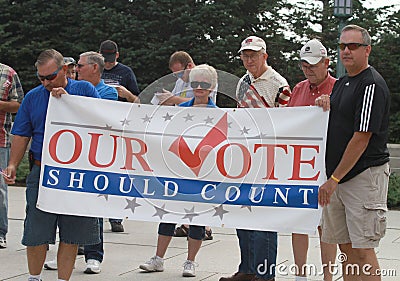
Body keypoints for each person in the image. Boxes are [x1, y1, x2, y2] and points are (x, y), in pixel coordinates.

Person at [3, 49, 101, 281]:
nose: (46, 82)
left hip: (76, 172)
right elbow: (21, 134)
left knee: (72, 233)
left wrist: (69, 100)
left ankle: (62, 279)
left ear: (65, 70)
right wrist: (13, 165)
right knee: (36, 231)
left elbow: (99, 119)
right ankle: (34, 278)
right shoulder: (33, 97)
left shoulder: (84, 90)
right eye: (41, 78)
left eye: (51, 77)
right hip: (43, 170)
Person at [317, 25, 390, 281]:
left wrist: (333, 180)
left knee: (362, 250)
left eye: (353, 46)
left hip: (362, 176)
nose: (346, 51)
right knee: (345, 249)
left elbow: (361, 137)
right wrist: (325, 102)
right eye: (342, 46)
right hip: (338, 179)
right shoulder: (343, 83)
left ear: (367, 50)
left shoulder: (371, 84)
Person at [220, 36, 291, 281]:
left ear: (264, 56)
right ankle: (247, 269)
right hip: (245, 156)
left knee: (264, 218)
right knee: (243, 213)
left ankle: (264, 273)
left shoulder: (278, 84)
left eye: (254, 55)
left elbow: (286, 122)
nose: (249, 60)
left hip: (268, 158)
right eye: (245, 55)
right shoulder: (243, 82)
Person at [139, 64, 218, 278]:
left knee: (196, 219)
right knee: (167, 214)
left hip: (202, 174)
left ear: (212, 87)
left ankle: (190, 262)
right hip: (176, 170)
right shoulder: (179, 111)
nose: (199, 88)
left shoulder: (218, 115)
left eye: (204, 84)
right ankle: (158, 258)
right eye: (195, 83)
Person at [43, 51, 118, 274]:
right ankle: (68, 252)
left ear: (95, 67)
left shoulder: (107, 92)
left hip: (92, 156)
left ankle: (94, 254)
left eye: (81, 65)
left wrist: (69, 100)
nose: (77, 68)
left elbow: (99, 115)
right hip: (68, 155)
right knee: (66, 207)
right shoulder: (69, 88)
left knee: (91, 206)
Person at [288, 39, 337, 281]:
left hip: (327, 168)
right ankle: (300, 275)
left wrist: (332, 106)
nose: (309, 70)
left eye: (314, 66)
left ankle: (328, 277)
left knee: (326, 226)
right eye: (305, 66)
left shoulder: (339, 88)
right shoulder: (298, 89)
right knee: (299, 222)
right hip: (300, 168)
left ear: (326, 63)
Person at [99, 40, 139, 232]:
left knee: (116, 171)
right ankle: (95, 214)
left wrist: (126, 94)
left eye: (109, 58)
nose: (106, 63)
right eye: (103, 59)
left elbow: (139, 101)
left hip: (118, 125)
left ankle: (116, 217)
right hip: (98, 126)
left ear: (117, 55)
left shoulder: (125, 73)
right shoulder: (93, 70)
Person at [0, 63, 24, 249]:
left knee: (0, 189)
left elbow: (19, 105)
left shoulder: (8, 73)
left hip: (1, 140)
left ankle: (0, 233)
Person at [100, 39, 140, 104]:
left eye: (111, 61)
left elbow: (138, 102)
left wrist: (128, 95)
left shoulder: (126, 72)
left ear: (117, 55)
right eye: (105, 60)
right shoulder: (94, 69)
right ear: (99, 55)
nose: (107, 63)